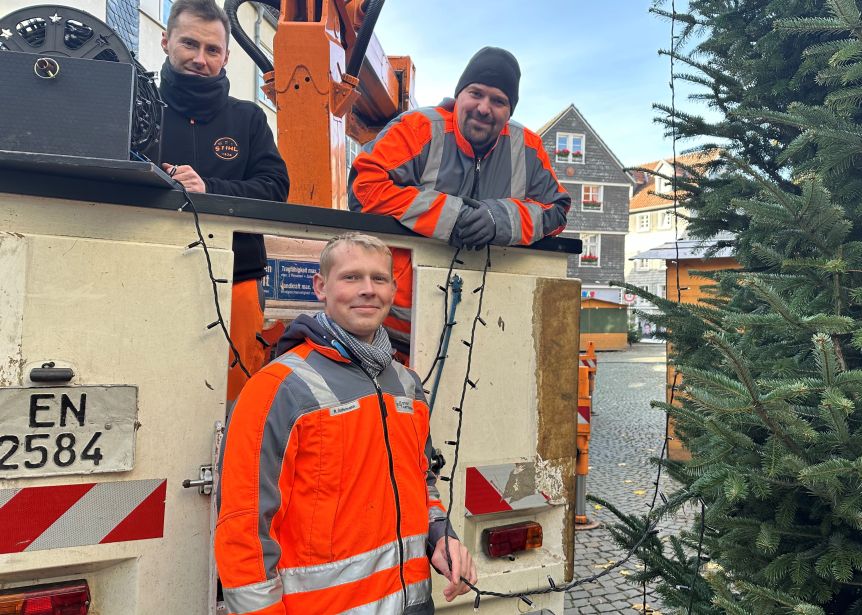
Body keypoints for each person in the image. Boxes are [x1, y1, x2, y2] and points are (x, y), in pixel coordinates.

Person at [215, 233, 477, 615]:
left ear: (393, 288)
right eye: (351, 277)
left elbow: (423, 482)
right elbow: (244, 527)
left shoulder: (407, 385)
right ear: (321, 286)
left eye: (379, 279)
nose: (367, 290)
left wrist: (441, 535)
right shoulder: (275, 389)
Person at [348, 46, 571, 355]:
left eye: (498, 101)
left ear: (510, 111)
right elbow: (364, 187)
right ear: (458, 95)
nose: (483, 107)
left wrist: (498, 220)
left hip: (486, 331)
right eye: (476, 93)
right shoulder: (416, 129)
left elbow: (556, 211)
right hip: (394, 332)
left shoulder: (528, 149)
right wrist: (451, 217)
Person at [158, 0, 289, 401]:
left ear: (227, 56)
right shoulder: (137, 104)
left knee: (237, 402)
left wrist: (209, 190)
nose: (200, 59)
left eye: (212, 50)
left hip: (238, 284)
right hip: (150, 274)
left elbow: (275, 188)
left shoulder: (249, 119)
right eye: (189, 45)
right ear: (166, 42)